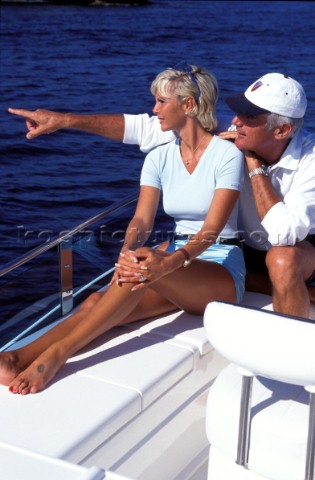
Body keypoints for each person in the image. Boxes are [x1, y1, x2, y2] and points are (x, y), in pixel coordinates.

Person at [1, 64, 245, 394]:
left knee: (141, 269)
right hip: (171, 264)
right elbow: (142, 220)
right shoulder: (158, 158)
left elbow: (212, 230)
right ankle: (16, 356)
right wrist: (128, 249)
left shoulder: (226, 155)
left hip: (218, 267)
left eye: (161, 102)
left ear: (188, 105)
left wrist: (167, 263)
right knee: (94, 303)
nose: (154, 110)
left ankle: (58, 354)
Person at [8, 72, 315, 317]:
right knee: (124, 280)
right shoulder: (237, 131)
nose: (235, 121)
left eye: (250, 117)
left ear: (282, 131)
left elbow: (283, 234)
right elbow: (142, 128)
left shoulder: (307, 160)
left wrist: (252, 162)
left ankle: (288, 358)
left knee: (282, 261)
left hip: (296, 251)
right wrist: (64, 121)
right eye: (239, 111)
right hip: (239, 249)